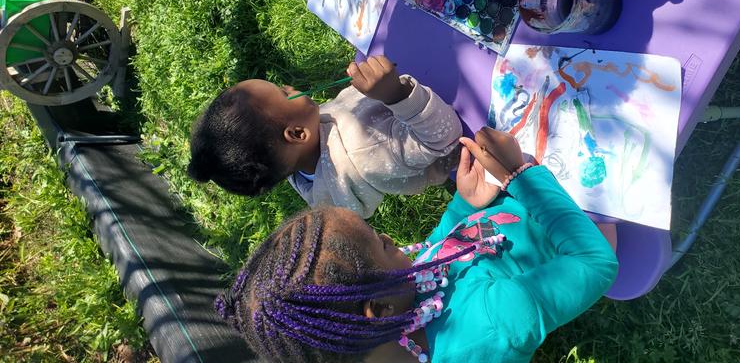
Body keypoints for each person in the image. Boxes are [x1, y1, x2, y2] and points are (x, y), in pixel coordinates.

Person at [216, 126, 618, 362]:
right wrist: (521, 175)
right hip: (578, 232)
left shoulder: (393, 302)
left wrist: (463, 205)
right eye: (383, 244)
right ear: (378, 310)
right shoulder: (492, 325)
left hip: (518, 212)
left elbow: (433, 253)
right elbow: (597, 262)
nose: (392, 240)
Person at [188, 56, 462, 218]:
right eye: (284, 93)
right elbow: (442, 137)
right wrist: (395, 95)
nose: (288, 86)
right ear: (297, 134)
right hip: (459, 124)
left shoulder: (300, 163)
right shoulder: (365, 151)